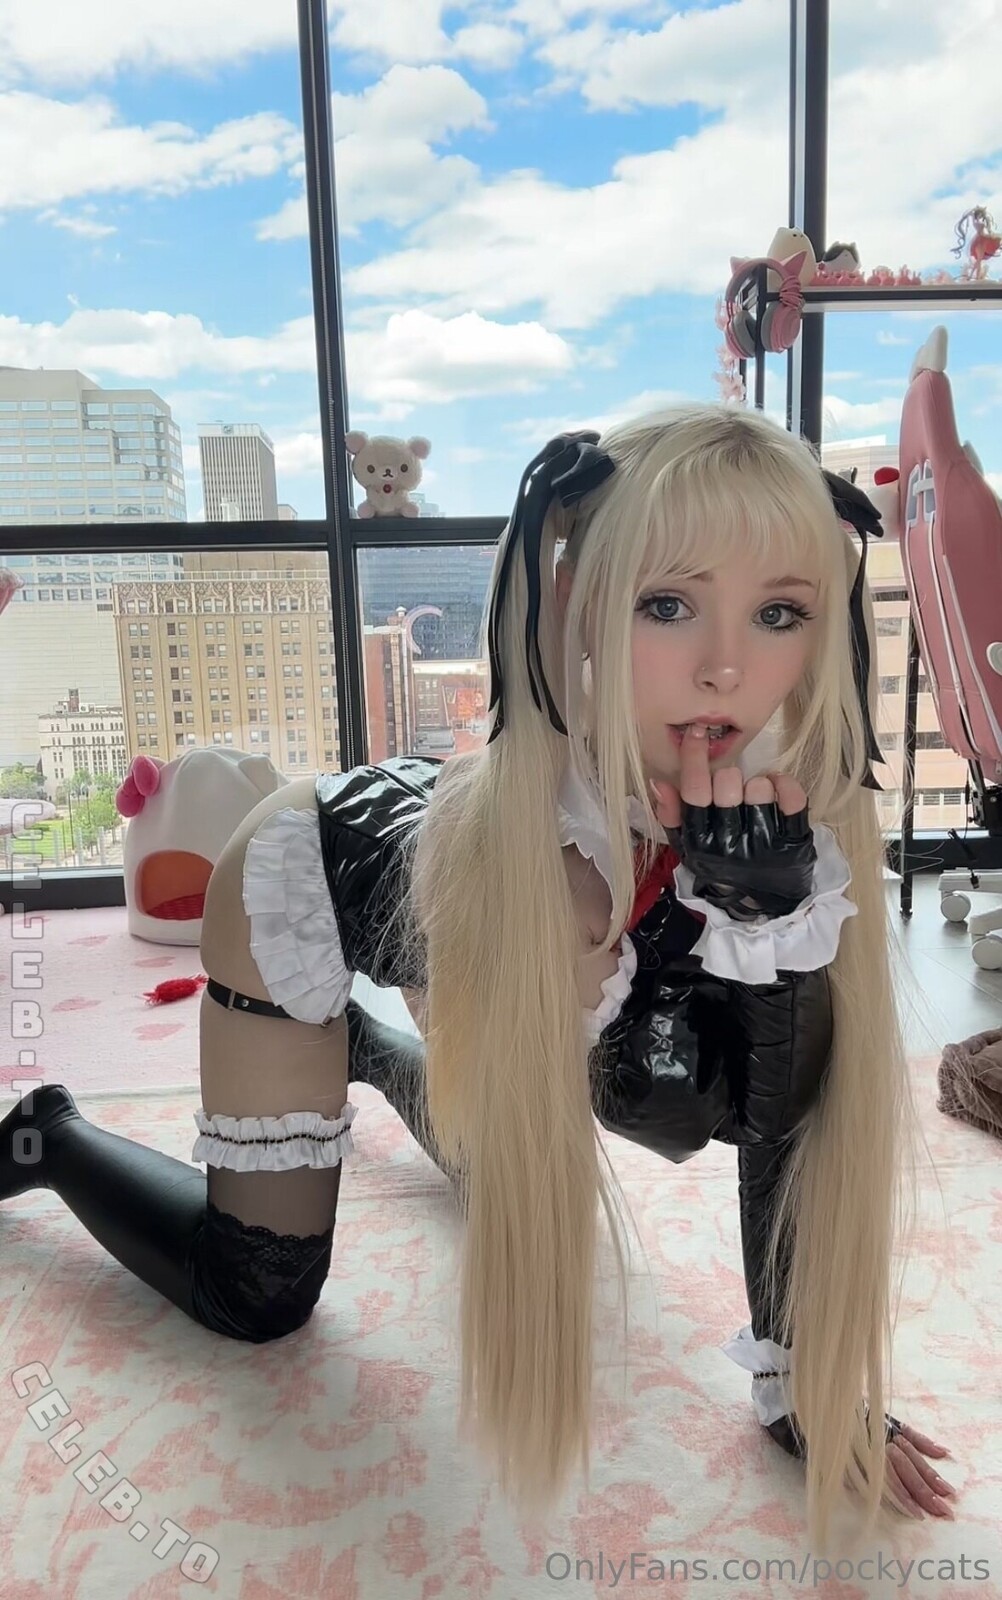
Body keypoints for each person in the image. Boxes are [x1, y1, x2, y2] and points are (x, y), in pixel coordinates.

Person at [0, 405, 958, 1551]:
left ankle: (360, 1050)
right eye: (666, 603)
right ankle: (50, 1134)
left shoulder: (790, 811)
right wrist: (735, 934)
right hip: (310, 872)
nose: (724, 665)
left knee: (492, 1153)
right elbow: (652, 1106)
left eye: (779, 612)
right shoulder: (560, 871)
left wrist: (805, 1386)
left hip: (470, 909)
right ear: (582, 604)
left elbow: (783, 1118)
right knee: (255, 1293)